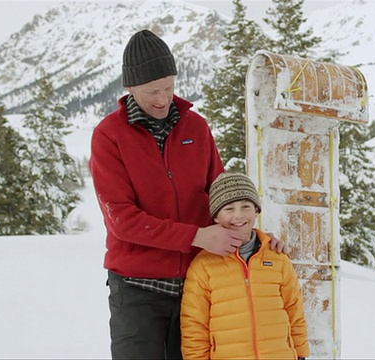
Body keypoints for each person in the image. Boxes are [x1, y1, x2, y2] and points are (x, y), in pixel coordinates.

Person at [89, 30, 285, 359]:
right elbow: (122, 220)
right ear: (130, 87)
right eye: (152, 91)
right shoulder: (109, 136)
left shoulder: (196, 128)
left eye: (169, 87)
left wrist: (257, 239)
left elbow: (223, 199)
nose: (162, 98)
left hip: (199, 284)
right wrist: (196, 236)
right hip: (138, 289)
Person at [181, 172, 310, 360]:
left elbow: (294, 310)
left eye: (245, 207)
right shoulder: (204, 265)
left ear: (256, 211)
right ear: (216, 217)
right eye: (229, 209)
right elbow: (194, 325)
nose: (238, 216)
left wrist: (301, 353)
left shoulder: (277, 258)